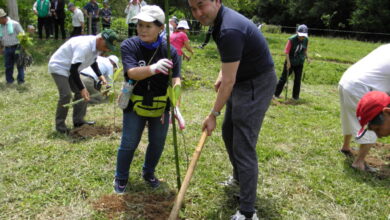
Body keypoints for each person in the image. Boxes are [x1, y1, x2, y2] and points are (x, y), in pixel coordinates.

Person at [188, 0, 276, 219]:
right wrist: (222, 74)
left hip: (257, 84)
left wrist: (213, 114)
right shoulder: (220, 21)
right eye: (193, 8)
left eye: (202, 5)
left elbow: (228, 82)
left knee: (243, 145)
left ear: (217, 1)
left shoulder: (229, 28)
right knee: (229, 134)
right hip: (241, 80)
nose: (198, 13)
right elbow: (232, 60)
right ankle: (239, 179)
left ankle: (247, 212)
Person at [114, 5, 181, 194]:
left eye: (148, 26)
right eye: (140, 25)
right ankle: (121, 176)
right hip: (135, 102)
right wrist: (153, 68)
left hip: (161, 105)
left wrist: (175, 104)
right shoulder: (130, 45)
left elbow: (176, 78)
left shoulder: (170, 51)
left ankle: (149, 172)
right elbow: (132, 72)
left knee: (157, 142)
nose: (142, 29)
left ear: (161, 28)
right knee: (129, 142)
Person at [48, 29, 118, 134]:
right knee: (66, 95)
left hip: (72, 69)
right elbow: (73, 69)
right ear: (100, 39)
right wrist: (82, 88)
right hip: (59, 67)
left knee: (82, 94)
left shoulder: (97, 47)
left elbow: (93, 61)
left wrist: (100, 76)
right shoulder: (85, 46)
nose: (107, 49)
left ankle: (78, 121)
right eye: (106, 46)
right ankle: (60, 126)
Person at [338, 44, 390, 172]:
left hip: (347, 80)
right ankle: (359, 162)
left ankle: (346, 146)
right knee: (372, 123)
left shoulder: (386, 47)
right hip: (361, 86)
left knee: (349, 115)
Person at [274, 24, 310, 100]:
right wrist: (288, 62)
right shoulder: (291, 40)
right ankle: (276, 94)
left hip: (299, 62)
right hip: (290, 61)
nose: (302, 37)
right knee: (283, 78)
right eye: (301, 35)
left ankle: (295, 97)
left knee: (298, 79)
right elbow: (286, 52)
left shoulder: (306, 40)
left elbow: (305, 50)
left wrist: (307, 58)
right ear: (297, 32)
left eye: (303, 36)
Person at [0, 9, 26, 85]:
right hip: (7, 48)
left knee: (20, 64)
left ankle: (20, 81)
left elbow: (23, 35)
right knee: (8, 66)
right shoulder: (0, 27)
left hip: (17, 47)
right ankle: (9, 81)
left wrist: (23, 46)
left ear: (2, 17)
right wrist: (0, 48)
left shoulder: (15, 24)